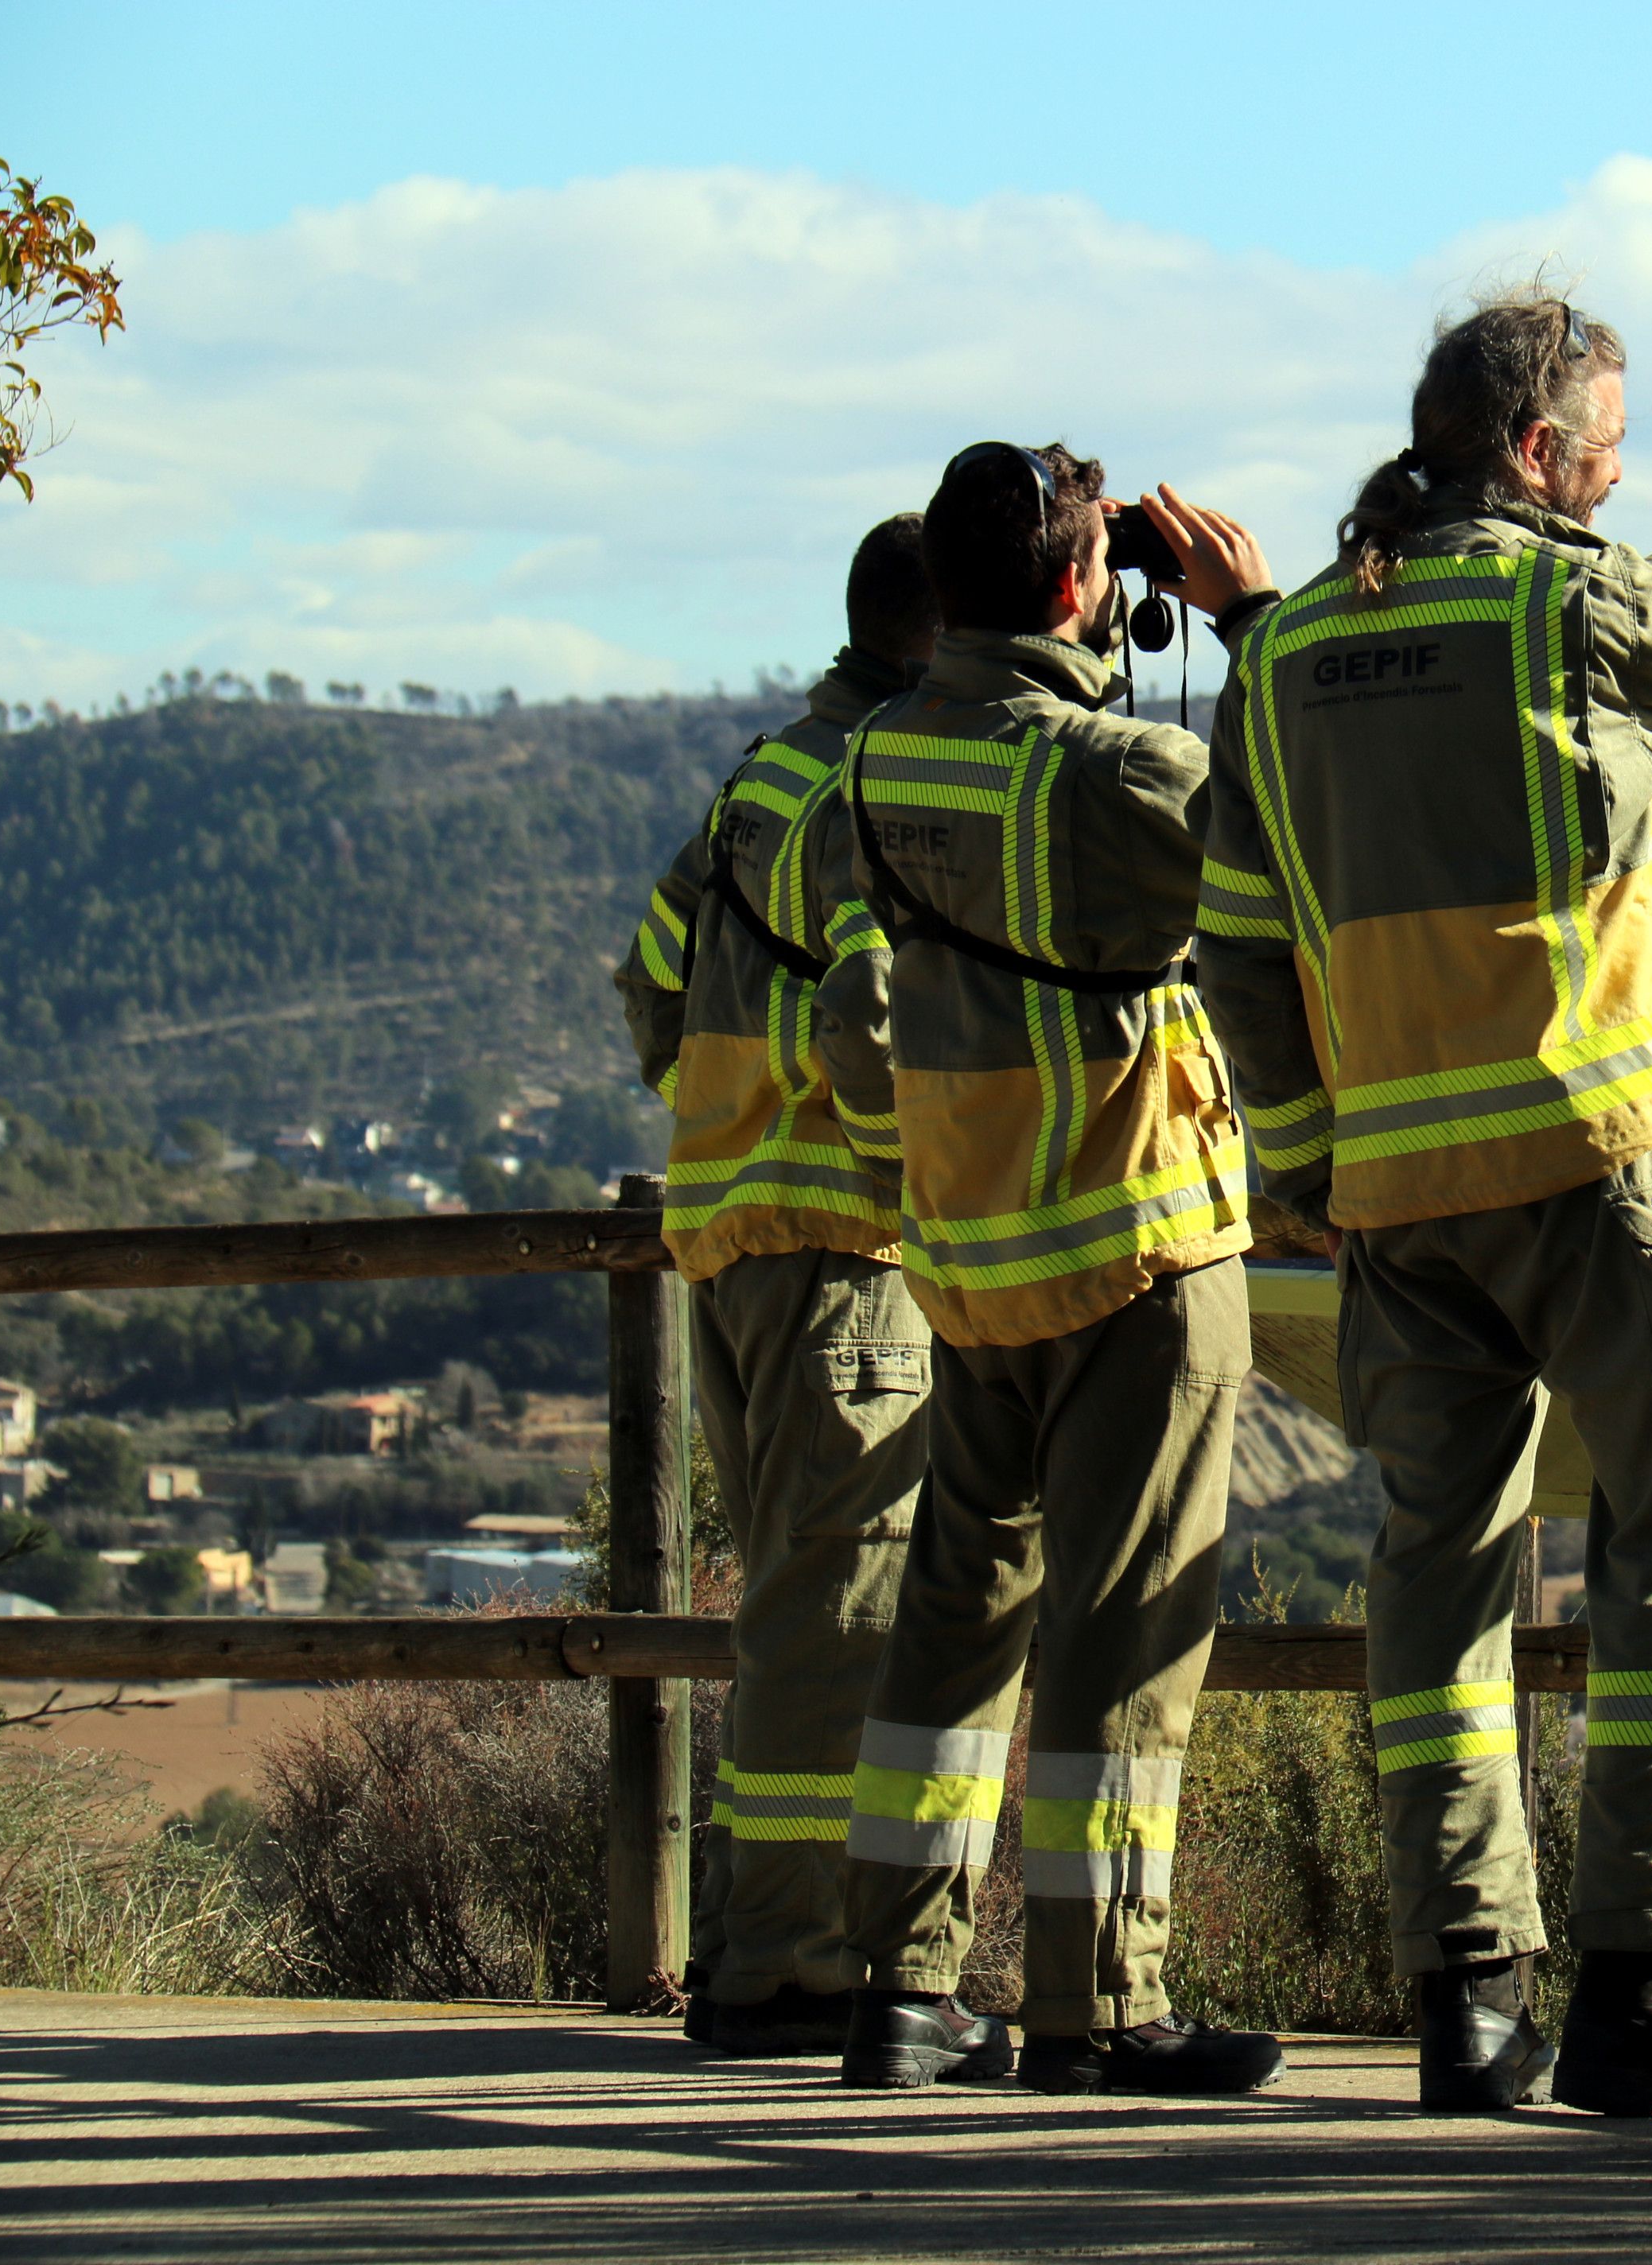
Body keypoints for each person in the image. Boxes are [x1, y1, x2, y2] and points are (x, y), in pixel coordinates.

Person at [1199, 287, 1652, 2117]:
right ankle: (1650, 1978)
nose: (1619, 470)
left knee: (1434, 1574)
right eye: (1607, 442)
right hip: (1597, 1160)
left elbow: (1246, 958)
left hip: (1398, 1199)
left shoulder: (1279, 663)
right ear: (1536, 451)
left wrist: (1309, 1173)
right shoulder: (1571, 601)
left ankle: (1468, 1998)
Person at [817, 440, 1287, 2098]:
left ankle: (901, 1980)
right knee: (1121, 1626)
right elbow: (1303, 843)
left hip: (968, 1253)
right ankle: (1099, 1999)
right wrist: (1254, 626)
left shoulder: (874, 765)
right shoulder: (1117, 779)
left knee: (959, 1612)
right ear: (1089, 586)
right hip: (1131, 1242)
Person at [615, 513, 941, 2057]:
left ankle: (768, 1942)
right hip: (842, 1256)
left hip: (727, 1242)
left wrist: (722, 1109)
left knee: (783, 1616)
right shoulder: (885, 785)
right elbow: (876, 1018)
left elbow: (647, 978)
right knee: (835, 1627)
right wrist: (909, 1166)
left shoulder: (761, 778)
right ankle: (784, 1962)